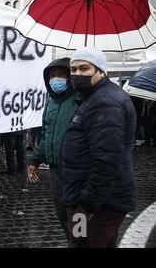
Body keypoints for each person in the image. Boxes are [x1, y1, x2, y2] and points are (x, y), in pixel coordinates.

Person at [60, 47, 136, 248]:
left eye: (84, 68)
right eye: (73, 69)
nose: (77, 74)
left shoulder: (105, 103)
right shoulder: (93, 97)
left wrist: (86, 206)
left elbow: (107, 162)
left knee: (80, 243)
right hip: (96, 202)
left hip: (93, 206)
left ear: (101, 71)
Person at [28, 58, 79, 240]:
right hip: (55, 170)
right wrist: (35, 160)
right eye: (51, 75)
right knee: (62, 214)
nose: (55, 79)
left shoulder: (80, 100)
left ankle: (80, 244)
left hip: (76, 172)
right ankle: (73, 243)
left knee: (78, 218)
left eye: (60, 74)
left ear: (69, 77)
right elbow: (46, 136)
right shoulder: (50, 104)